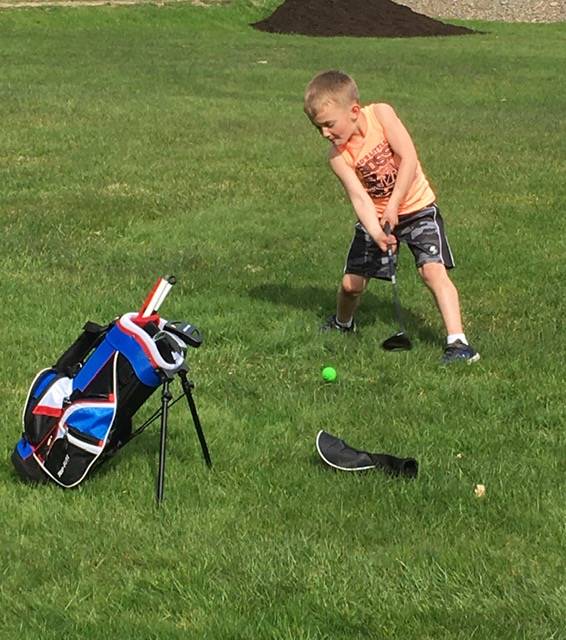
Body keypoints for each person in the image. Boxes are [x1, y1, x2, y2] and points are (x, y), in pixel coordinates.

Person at [303, 70, 479, 364]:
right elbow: (359, 198)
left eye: (329, 125)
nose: (325, 134)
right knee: (350, 286)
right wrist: (376, 232)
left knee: (432, 271)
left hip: (417, 206)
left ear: (354, 111)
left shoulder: (382, 115)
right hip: (378, 218)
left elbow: (409, 157)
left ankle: (458, 343)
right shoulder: (337, 156)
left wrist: (395, 204)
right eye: (318, 128)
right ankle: (342, 324)